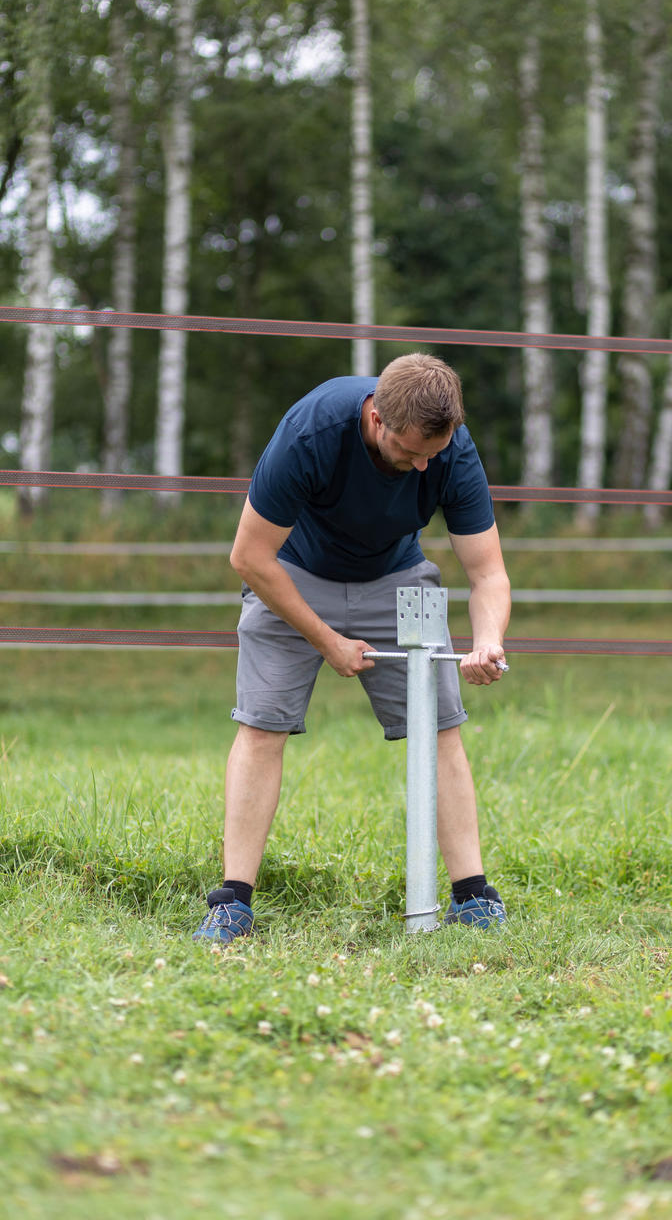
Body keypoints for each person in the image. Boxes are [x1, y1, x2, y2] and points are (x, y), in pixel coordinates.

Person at [193, 353, 511, 944]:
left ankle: (473, 897)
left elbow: (488, 573)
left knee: (439, 728)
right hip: (291, 573)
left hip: (396, 577)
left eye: (432, 455)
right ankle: (231, 903)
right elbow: (249, 557)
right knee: (262, 727)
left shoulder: (449, 449)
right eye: (410, 452)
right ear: (376, 420)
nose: (422, 466)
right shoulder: (311, 431)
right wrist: (328, 640)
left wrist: (487, 642)